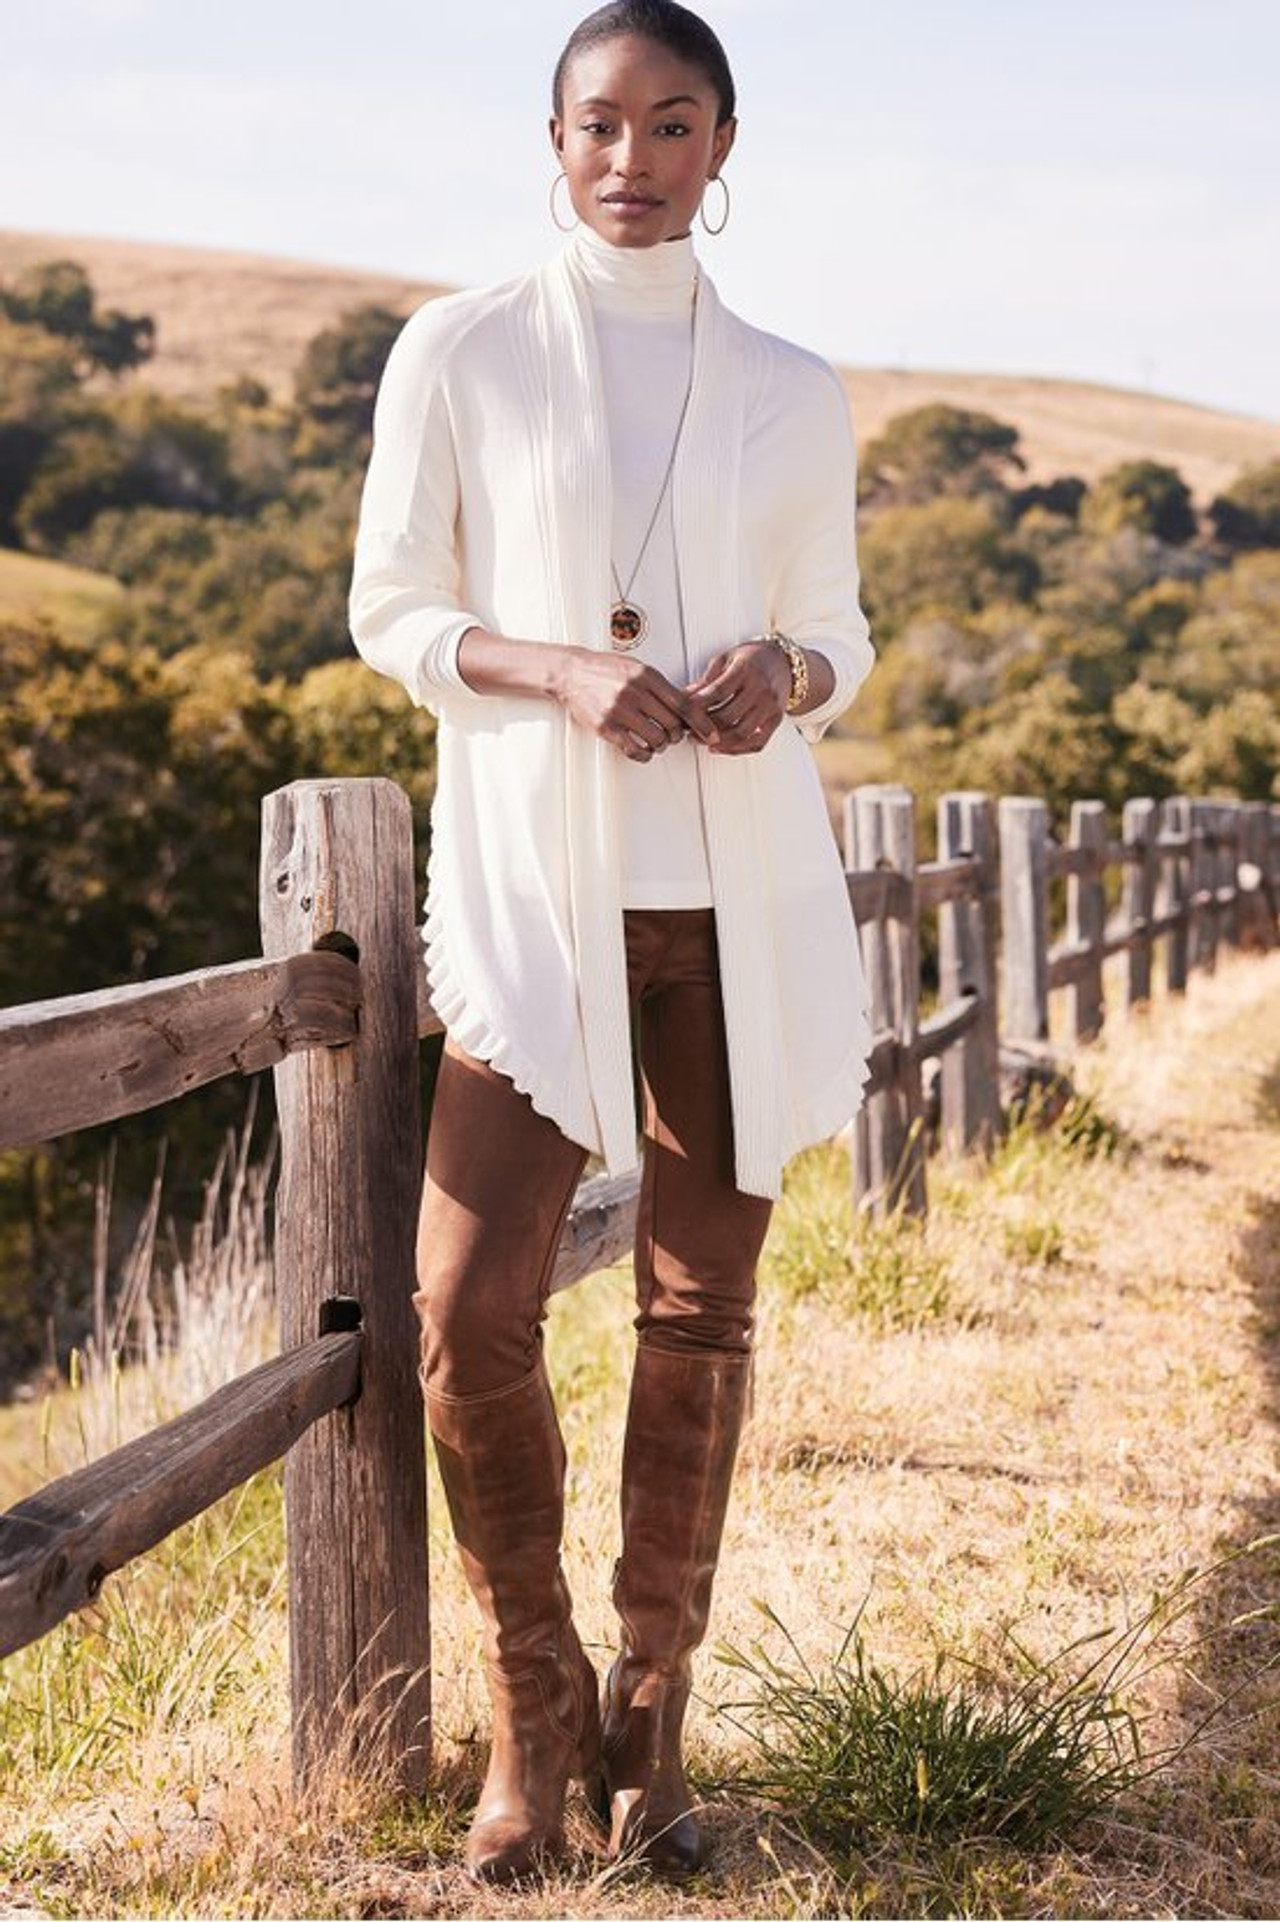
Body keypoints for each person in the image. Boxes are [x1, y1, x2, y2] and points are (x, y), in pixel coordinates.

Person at [349, 0, 876, 1885]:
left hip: (739, 902)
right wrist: (560, 668)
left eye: (670, 124)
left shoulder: (794, 386)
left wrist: (785, 672)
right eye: (599, 123)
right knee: (464, 1309)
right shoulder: (462, 346)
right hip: (537, 892)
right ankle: (535, 1697)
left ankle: (655, 1716)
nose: (631, 158)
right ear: (552, 138)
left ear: (723, 144)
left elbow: (844, 630)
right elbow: (393, 609)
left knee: (700, 1305)